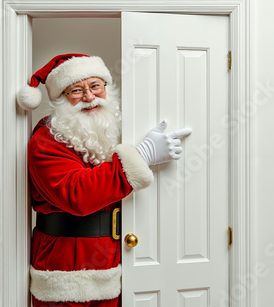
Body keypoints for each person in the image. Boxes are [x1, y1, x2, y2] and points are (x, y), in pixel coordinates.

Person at [17, 53, 191, 306]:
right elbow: (75, 194)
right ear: (61, 99)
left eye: (95, 86)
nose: (89, 97)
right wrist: (142, 154)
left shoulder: (111, 130)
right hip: (67, 264)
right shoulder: (45, 140)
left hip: (115, 256)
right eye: (76, 90)